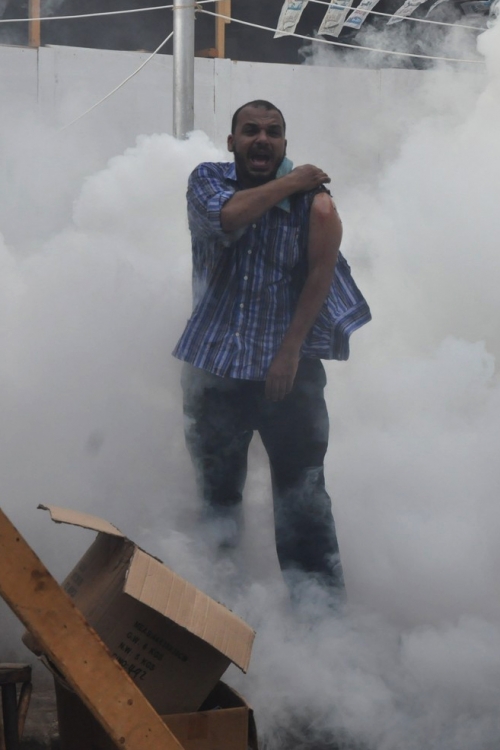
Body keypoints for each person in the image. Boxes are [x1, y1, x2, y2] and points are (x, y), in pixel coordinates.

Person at [173, 100, 371, 602]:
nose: (262, 139)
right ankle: (218, 611)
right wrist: (293, 180)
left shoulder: (314, 202)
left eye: (273, 132)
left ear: (284, 143)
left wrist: (290, 351)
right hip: (213, 368)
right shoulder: (208, 180)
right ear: (232, 141)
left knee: (303, 500)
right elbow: (228, 217)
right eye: (251, 130)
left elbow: (321, 275)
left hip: (289, 371)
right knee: (218, 501)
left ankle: (321, 623)